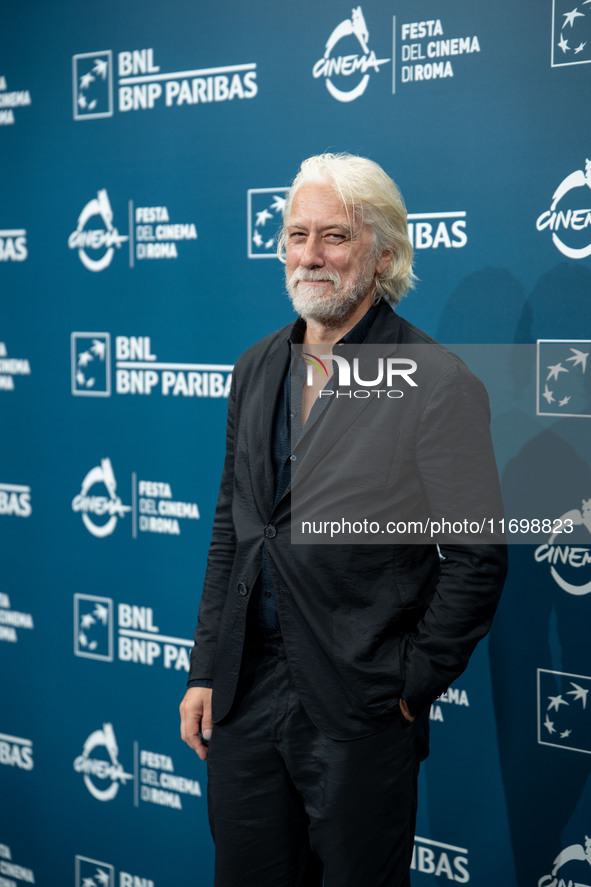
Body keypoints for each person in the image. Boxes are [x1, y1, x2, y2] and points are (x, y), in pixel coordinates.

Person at [180, 153, 507, 886]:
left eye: (334, 236)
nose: (309, 255)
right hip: (243, 697)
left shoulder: (436, 380)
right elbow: (233, 529)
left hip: (356, 705)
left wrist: (406, 684)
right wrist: (207, 667)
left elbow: (478, 558)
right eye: (297, 235)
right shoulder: (255, 366)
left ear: (382, 252)